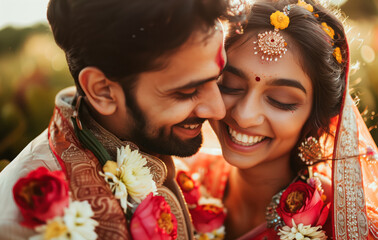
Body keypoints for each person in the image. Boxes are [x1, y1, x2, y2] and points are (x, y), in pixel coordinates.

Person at [177, 0, 378, 239]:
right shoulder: (181, 182)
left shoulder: (346, 226)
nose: (244, 115)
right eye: (230, 86)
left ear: (318, 116)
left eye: (280, 100)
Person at [0, 0, 229, 239]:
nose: (218, 110)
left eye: (219, 80)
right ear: (102, 91)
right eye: (186, 92)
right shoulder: (24, 221)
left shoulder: (152, 142)